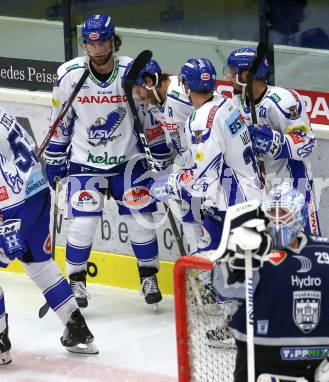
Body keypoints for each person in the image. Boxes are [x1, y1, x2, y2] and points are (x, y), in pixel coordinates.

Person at [44, 14, 162, 309]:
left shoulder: (131, 71)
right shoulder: (69, 75)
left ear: (113, 42)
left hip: (128, 162)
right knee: (82, 224)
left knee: (141, 222)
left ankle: (148, 276)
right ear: (85, 44)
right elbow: (61, 119)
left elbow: (148, 114)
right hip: (85, 163)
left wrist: (160, 150)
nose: (97, 50)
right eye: (91, 44)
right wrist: (55, 155)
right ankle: (76, 282)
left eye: (103, 43)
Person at [211, 184, 329, 382]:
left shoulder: (323, 249)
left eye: (282, 212)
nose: (275, 219)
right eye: (270, 212)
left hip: (312, 356)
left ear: (298, 214)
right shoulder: (254, 248)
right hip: (261, 353)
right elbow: (223, 287)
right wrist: (234, 257)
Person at [0, 106, 98, 364]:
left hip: (9, 206)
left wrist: (7, 221)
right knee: (40, 266)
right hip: (37, 192)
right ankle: (77, 329)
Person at [149, 57, 264, 253]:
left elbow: (204, 173)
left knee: (240, 272)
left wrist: (172, 183)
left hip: (233, 206)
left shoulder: (200, 119)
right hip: (240, 198)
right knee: (209, 264)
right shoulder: (226, 104)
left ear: (186, 85)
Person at [226, 47, 320, 235]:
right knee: (270, 248)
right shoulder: (235, 103)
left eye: (232, 72)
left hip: (292, 184)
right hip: (259, 188)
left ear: (245, 75)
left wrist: (274, 142)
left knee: (304, 241)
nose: (228, 77)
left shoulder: (282, 101)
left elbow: (307, 142)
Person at [127, 58, 202, 256]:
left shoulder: (180, 94)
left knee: (204, 224)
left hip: (208, 167)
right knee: (189, 219)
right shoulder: (159, 100)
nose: (137, 95)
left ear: (150, 82)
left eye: (138, 89)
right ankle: (200, 270)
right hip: (190, 164)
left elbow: (213, 111)